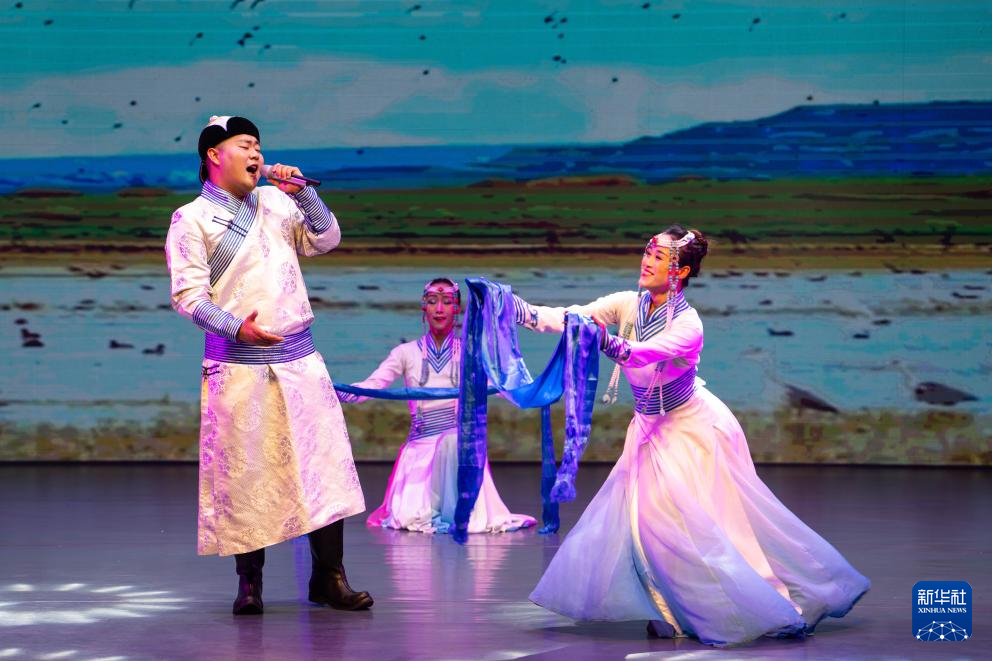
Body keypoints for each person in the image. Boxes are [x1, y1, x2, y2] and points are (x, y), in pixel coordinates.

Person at [512, 225, 869, 646]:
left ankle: (767, 606)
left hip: (691, 431)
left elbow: (640, 353)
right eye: (647, 252)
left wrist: (602, 340)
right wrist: (513, 309)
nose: (647, 261)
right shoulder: (627, 304)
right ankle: (672, 609)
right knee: (647, 526)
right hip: (649, 429)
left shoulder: (688, 324)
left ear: (679, 271)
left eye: (658, 256)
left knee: (710, 528)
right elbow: (570, 317)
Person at [165, 115, 371, 615]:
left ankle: (329, 578)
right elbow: (188, 297)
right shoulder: (190, 219)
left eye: (258, 145)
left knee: (322, 469)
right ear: (215, 155)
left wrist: (303, 194)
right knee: (246, 475)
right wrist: (238, 327)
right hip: (239, 367)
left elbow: (326, 239)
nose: (256, 154)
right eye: (245, 145)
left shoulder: (277, 202)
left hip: (300, 362)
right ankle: (250, 583)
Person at [340, 278, 536, 534]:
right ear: (424, 307)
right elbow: (374, 384)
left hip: (457, 448)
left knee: (453, 442)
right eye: (433, 302)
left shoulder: (471, 352)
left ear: (457, 309)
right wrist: (340, 392)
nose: (439, 309)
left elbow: (498, 386)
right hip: (420, 447)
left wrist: (532, 392)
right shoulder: (405, 353)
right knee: (411, 518)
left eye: (447, 302)